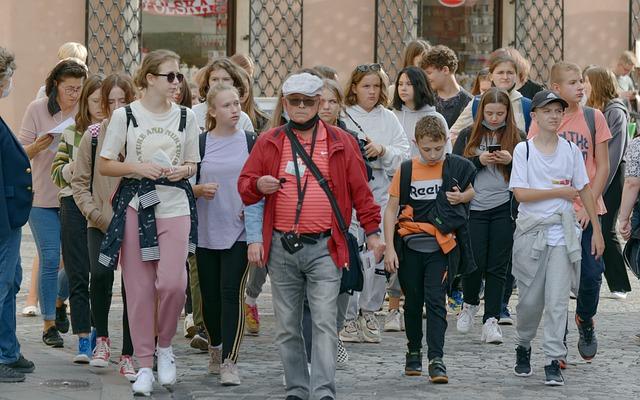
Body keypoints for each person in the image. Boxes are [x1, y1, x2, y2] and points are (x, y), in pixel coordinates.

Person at [238, 72, 385, 400]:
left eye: (308, 101)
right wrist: (258, 185)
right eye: (295, 101)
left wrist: (373, 232)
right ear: (285, 104)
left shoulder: (341, 142)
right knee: (288, 326)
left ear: (320, 103)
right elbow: (245, 185)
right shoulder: (269, 141)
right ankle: (296, 390)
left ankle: (322, 392)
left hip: (326, 247)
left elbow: (362, 192)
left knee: (323, 323)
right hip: (281, 246)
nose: (301, 107)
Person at [98, 49, 200, 396]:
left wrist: (182, 170)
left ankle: (165, 346)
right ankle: (144, 364)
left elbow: (192, 164)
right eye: (170, 76)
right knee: (139, 291)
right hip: (136, 206)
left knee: (173, 283)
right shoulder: (125, 116)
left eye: (179, 76)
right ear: (150, 79)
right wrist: (137, 168)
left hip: (174, 205)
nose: (176, 83)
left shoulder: (187, 116)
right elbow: (106, 164)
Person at [510, 90, 604, 386]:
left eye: (558, 111)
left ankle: (553, 358)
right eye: (547, 110)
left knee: (557, 300)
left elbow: (585, 189)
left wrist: (598, 231)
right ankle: (523, 345)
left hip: (562, 235)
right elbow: (520, 193)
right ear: (534, 115)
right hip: (531, 233)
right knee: (529, 302)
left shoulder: (570, 151)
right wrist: (559, 192)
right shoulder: (523, 151)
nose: (553, 115)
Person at [528, 62, 612, 363]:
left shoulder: (594, 117)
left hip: (588, 211)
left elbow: (602, 165)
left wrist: (588, 206)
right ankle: (557, 345)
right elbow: (535, 164)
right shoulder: (544, 121)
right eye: (574, 82)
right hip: (554, 213)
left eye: (582, 82)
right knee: (556, 281)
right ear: (556, 89)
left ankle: (585, 319)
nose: (581, 87)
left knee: (591, 275)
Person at [384, 115, 475, 383]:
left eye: (439, 148)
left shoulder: (454, 166)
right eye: (427, 149)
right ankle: (413, 351)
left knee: (436, 303)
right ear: (416, 144)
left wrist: (462, 197)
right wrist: (389, 248)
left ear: (446, 142)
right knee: (412, 303)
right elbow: (391, 210)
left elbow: (471, 191)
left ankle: (437, 359)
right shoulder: (407, 170)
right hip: (410, 248)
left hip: (441, 249)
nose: (434, 154)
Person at [193, 83, 262, 386]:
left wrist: (253, 208)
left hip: (239, 231)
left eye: (237, 103)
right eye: (227, 105)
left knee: (230, 294)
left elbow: (261, 185)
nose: (234, 110)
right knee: (209, 298)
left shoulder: (251, 142)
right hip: (206, 231)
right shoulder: (199, 144)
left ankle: (230, 361)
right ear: (212, 111)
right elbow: (184, 187)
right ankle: (215, 347)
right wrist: (198, 190)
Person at [71, 73, 137, 380]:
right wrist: (96, 215)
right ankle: (102, 341)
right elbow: (79, 182)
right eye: (110, 101)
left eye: (122, 100)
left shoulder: (140, 134)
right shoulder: (94, 135)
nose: (115, 106)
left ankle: (129, 353)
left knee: (133, 288)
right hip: (100, 222)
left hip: (136, 222)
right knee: (99, 275)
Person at [19, 58, 87, 348]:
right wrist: (39, 145)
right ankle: (49, 324)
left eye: (79, 88)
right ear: (55, 86)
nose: (74, 94)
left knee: (76, 262)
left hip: (76, 198)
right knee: (49, 257)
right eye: (69, 88)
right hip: (43, 197)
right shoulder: (37, 110)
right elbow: (21, 153)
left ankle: (59, 299)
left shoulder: (86, 112)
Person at [340, 63, 410, 344]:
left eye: (376, 86)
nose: (371, 91)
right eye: (366, 86)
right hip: (352, 195)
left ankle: (369, 310)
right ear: (354, 87)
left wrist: (382, 150)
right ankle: (348, 315)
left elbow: (405, 155)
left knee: (377, 256)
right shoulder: (345, 116)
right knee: (353, 255)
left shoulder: (389, 118)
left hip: (381, 194)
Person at [452, 88, 525, 343]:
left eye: (500, 113)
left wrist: (511, 160)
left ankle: (491, 319)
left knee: (498, 265)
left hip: (504, 208)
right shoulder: (467, 135)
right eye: (489, 112)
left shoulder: (518, 137)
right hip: (475, 207)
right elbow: (455, 171)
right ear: (481, 110)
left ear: (508, 113)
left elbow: (528, 173)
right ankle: (470, 303)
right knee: (474, 262)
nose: (494, 118)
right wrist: (479, 160)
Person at [388, 65, 450, 331]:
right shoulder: (392, 115)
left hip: (428, 191)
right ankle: (393, 308)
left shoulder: (434, 116)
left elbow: (444, 156)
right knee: (401, 247)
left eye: (409, 84)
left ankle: (434, 300)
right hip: (397, 186)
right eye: (400, 83)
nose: (403, 88)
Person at [50, 74, 104, 363]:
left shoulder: (115, 130)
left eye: (103, 100)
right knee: (77, 273)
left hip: (102, 206)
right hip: (72, 205)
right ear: (86, 102)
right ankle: (84, 337)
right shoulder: (72, 132)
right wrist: (74, 167)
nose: (99, 105)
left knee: (101, 274)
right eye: (94, 100)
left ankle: (99, 333)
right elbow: (56, 173)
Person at [0, 46, 36, 383]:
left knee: (10, 283)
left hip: (9, 218)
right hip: (3, 220)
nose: (10, 83)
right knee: (2, 284)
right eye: (8, 76)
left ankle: (8, 350)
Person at [584, 66, 632, 299]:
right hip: (596, 176)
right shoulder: (595, 109)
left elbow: (614, 153)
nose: (583, 85)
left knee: (606, 229)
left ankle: (620, 284)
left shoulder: (615, 111)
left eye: (585, 81)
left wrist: (600, 186)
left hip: (612, 177)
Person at [451, 54, 532, 143]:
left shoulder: (527, 105)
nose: (505, 77)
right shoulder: (477, 102)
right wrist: (473, 154)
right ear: (491, 76)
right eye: (500, 72)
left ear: (516, 76)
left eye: (510, 73)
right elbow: (453, 135)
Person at [192, 58, 254, 132]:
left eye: (226, 79)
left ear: (234, 83)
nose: (220, 83)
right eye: (215, 79)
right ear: (207, 83)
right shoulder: (194, 113)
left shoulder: (243, 119)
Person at [420, 45, 472, 130]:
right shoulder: (425, 99)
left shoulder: (469, 103)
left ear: (445, 70)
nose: (426, 78)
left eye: (429, 73)